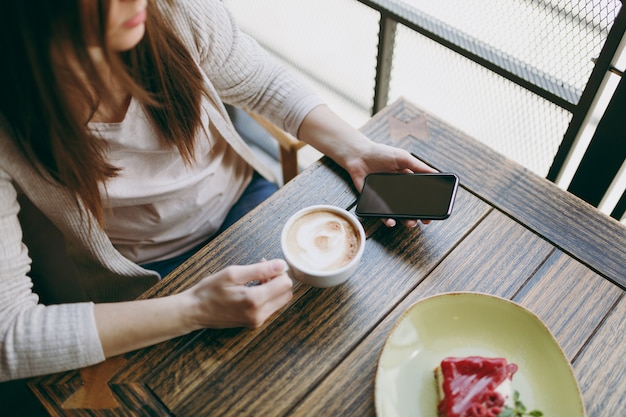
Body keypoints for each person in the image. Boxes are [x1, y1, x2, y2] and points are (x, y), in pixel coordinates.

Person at [0, 0, 435, 382]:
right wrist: (193, 309)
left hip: (248, 206)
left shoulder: (169, 11)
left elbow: (262, 82)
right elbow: (9, 336)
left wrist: (356, 149)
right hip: (148, 279)